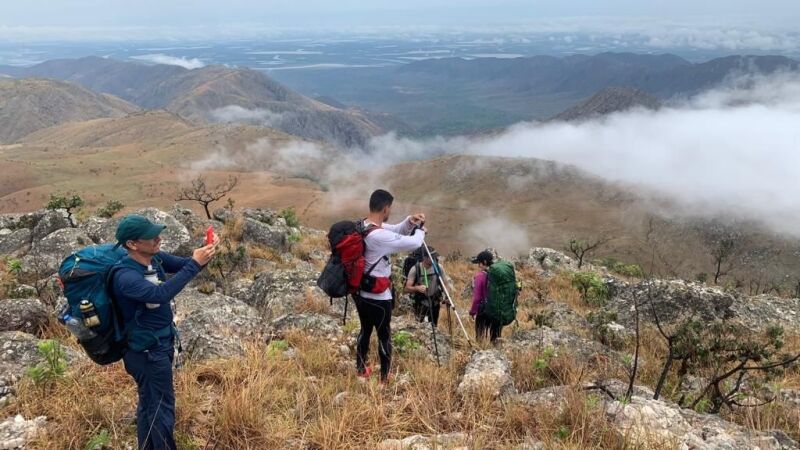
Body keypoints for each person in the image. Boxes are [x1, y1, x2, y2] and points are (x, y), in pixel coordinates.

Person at [111, 214, 217, 450]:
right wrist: (195, 263)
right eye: (151, 237)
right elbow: (159, 295)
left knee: (151, 404)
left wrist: (205, 253)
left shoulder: (155, 258)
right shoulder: (125, 276)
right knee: (161, 408)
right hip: (146, 352)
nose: (158, 238)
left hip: (157, 345)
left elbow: (184, 266)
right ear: (132, 244)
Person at [355, 189, 426, 382]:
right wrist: (420, 230)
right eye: (390, 208)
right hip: (379, 297)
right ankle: (385, 378)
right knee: (384, 335)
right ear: (385, 208)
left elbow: (394, 230)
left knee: (365, 330)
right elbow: (412, 243)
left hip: (361, 293)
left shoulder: (364, 226)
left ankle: (361, 368)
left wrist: (409, 222)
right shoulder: (379, 236)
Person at [404, 247, 451, 326]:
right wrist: (417, 288)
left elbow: (445, 284)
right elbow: (407, 288)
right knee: (420, 325)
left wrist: (447, 296)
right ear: (424, 258)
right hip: (420, 303)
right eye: (432, 257)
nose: (435, 259)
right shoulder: (416, 269)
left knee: (434, 325)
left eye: (435, 256)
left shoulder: (438, 267)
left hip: (435, 302)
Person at [469, 250, 502, 342]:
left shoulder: (480, 276)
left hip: (483, 311)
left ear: (484, 262)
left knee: (480, 338)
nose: (478, 266)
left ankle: (482, 353)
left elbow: (477, 298)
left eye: (479, 263)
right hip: (497, 311)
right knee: (496, 340)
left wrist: (472, 312)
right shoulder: (498, 274)